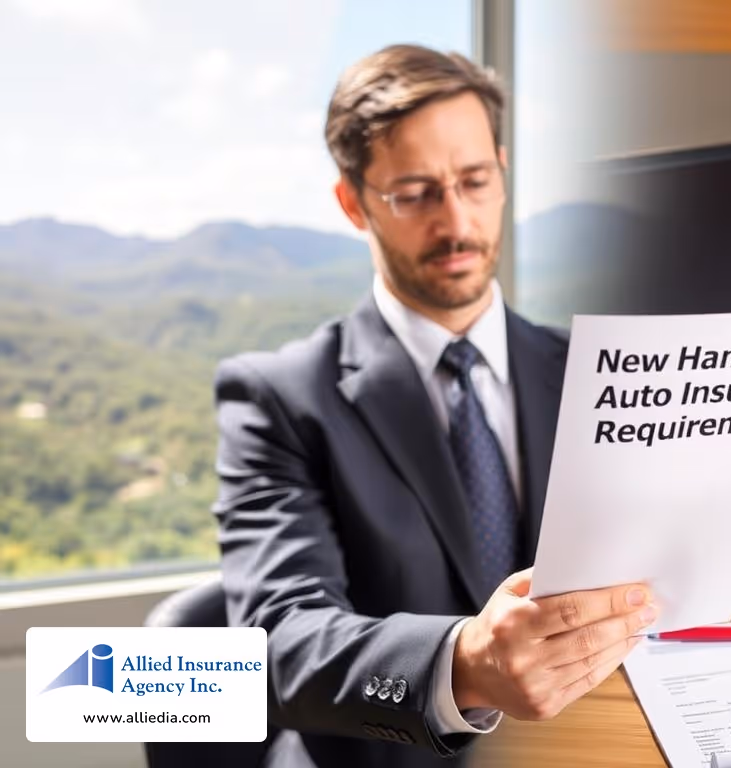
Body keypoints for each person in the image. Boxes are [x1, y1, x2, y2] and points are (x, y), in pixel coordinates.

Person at [212, 45, 656, 767]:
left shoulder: (594, 370)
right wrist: (463, 665)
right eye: (415, 193)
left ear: (502, 175)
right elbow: (277, 647)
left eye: (474, 182)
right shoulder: (280, 397)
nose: (456, 223)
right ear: (354, 203)